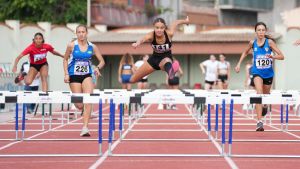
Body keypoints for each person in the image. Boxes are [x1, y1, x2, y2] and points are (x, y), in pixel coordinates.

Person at [235, 22, 284, 131]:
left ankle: (265, 106)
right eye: (259, 30)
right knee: (258, 94)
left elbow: (282, 56)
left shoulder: (270, 42)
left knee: (265, 96)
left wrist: (272, 56)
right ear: (256, 31)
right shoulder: (252, 43)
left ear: (265, 31)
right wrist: (238, 63)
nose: (261, 32)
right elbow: (245, 52)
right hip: (257, 72)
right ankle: (259, 121)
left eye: (263, 30)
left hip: (268, 73)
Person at [63, 25, 105, 137]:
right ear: (76, 33)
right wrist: (66, 74)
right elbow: (65, 59)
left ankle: (85, 127)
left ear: (87, 33)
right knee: (79, 105)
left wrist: (97, 68)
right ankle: (79, 107)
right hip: (74, 75)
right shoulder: (71, 45)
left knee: (88, 99)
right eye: (79, 32)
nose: (81, 34)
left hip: (87, 75)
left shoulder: (92, 47)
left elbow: (102, 61)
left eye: (83, 32)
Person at [129, 16, 189, 83]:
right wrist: (137, 43)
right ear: (154, 27)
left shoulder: (169, 34)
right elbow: (143, 39)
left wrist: (186, 21)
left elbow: (175, 23)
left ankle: (171, 71)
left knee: (167, 62)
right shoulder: (151, 35)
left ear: (164, 28)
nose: (159, 30)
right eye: (157, 28)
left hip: (166, 58)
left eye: (161, 28)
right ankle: (171, 71)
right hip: (153, 60)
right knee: (132, 80)